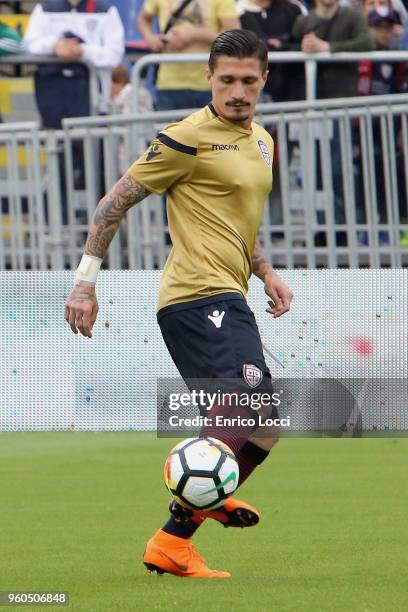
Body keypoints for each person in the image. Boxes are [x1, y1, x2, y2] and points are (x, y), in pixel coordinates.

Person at [64, 29, 293, 578]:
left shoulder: (263, 141)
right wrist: (83, 284)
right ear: (209, 79)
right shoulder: (184, 137)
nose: (237, 91)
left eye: (247, 80)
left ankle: (181, 528)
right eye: (226, 80)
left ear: (264, 79)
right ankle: (200, 486)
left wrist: (264, 272)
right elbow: (112, 204)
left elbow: (238, 220)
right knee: (248, 398)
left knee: (264, 425)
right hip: (196, 296)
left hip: (229, 292)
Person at [136, 0, 240, 110]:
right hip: (168, 83)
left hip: (208, 84)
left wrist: (195, 34)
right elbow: (143, 18)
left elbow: (234, 37)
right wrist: (150, 38)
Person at [238, 0, 305, 102]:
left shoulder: (294, 9)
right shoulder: (234, 11)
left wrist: (283, 45)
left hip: (292, 93)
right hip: (249, 94)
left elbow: (306, 42)